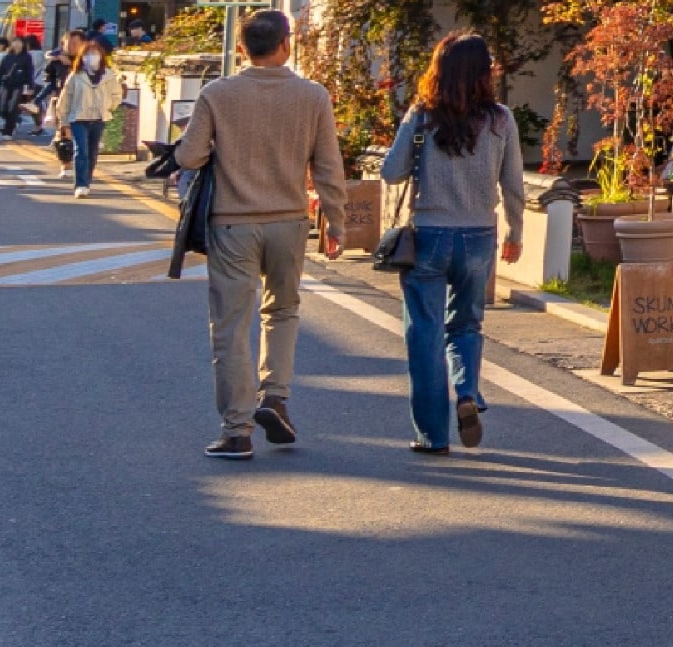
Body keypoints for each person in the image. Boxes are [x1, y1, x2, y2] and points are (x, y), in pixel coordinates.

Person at [176, 10, 351, 459]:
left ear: (241, 49)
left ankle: (237, 430)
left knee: (231, 326)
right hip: (290, 221)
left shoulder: (218, 94)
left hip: (232, 223)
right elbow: (329, 166)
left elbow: (190, 157)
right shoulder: (313, 96)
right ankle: (275, 398)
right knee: (284, 312)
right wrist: (335, 220)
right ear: (287, 44)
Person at [380, 34, 526, 455]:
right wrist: (516, 232)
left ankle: (432, 434)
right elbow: (514, 184)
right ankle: (466, 392)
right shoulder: (501, 120)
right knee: (465, 323)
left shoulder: (423, 116)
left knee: (423, 333)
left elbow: (391, 173)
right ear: (485, 72)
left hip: (428, 236)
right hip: (479, 236)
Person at [53, 42, 122, 197]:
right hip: (79, 118)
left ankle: (87, 180)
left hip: (99, 118)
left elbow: (116, 95)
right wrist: (64, 122)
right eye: (87, 54)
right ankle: (81, 184)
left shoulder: (108, 76)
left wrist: (108, 106)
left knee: (92, 152)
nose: (91, 57)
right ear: (82, 57)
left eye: (95, 54)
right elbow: (65, 99)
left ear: (101, 56)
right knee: (81, 150)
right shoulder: (75, 76)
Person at [0, 39, 32, 139]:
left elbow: (29, 71)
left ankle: (8, 130)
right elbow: (0, 72)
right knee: (1, 107)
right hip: (5, 84)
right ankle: (14, 121)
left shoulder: (27, 57)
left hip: (18, 85)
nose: (17, 44)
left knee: (12, 107)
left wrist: (30, 86)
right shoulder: (7, 57)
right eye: (15, 42)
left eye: (19, 42)